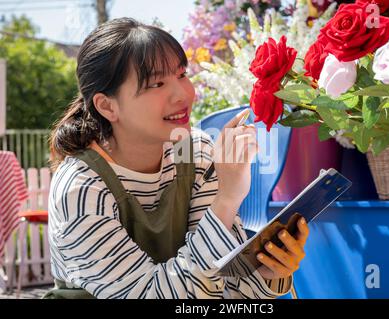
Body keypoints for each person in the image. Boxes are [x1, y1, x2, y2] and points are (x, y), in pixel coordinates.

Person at [44, 17, 309, 299]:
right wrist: (226, 200)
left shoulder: (191, 152)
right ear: (107, 106)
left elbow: (222, 288)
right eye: (156, 83)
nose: (183, 94)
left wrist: (267, 273)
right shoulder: (83, 189)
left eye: (182, 75)